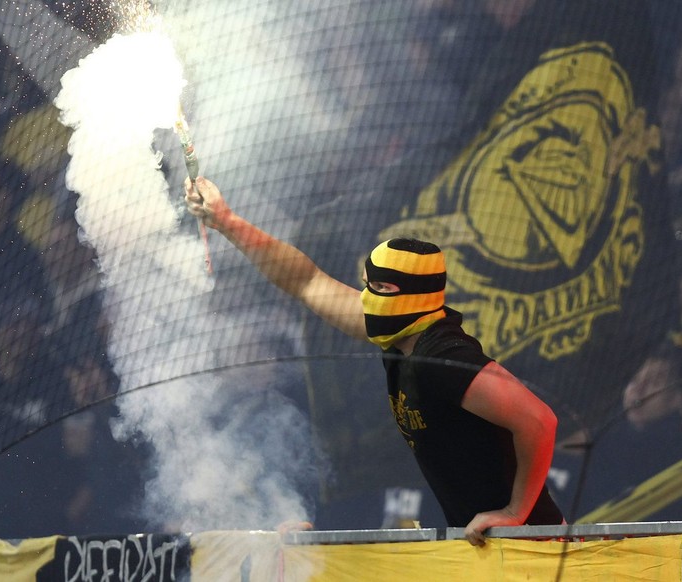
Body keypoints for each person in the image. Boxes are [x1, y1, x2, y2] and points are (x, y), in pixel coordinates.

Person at [184, 176, 563, 545]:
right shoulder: (401, 335)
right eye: (366, 285)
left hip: (531, 547)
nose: (365, 298)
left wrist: (516, 514)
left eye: (378, 288)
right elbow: (305, 280)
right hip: (486, 545)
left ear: (413, 297)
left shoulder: (442, 355)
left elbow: (539, 421)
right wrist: (227, 222)